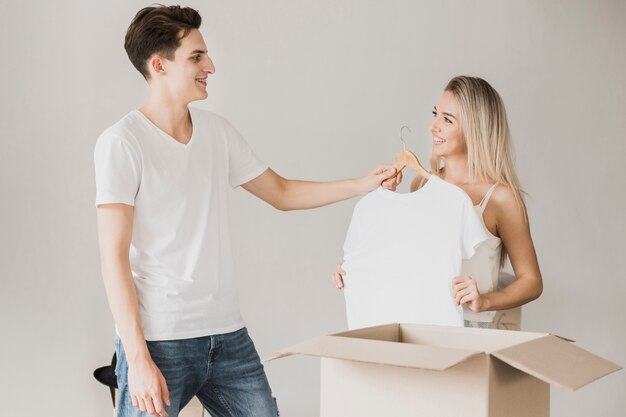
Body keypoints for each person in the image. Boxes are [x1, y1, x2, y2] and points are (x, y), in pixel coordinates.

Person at [94, 5, 398, 417]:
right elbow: (113, 257)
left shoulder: (218, 134)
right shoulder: (122, 143)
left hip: (226, 336)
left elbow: (283, 192)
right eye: (196, 57)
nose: (211, 66)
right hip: (159, 339)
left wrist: (365, 184)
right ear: (159, 65)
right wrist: (139, 358)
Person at [332, 75, 543, 329]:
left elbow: (531, 281)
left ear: (475, 128)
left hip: (471, 331)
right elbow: (408, 262)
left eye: (447, 119)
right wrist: (355, 271)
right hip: (421, 324)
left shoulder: (500, 198)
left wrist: (484, 301)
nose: (434, 126)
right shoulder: (420, 185)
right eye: (436, 114)